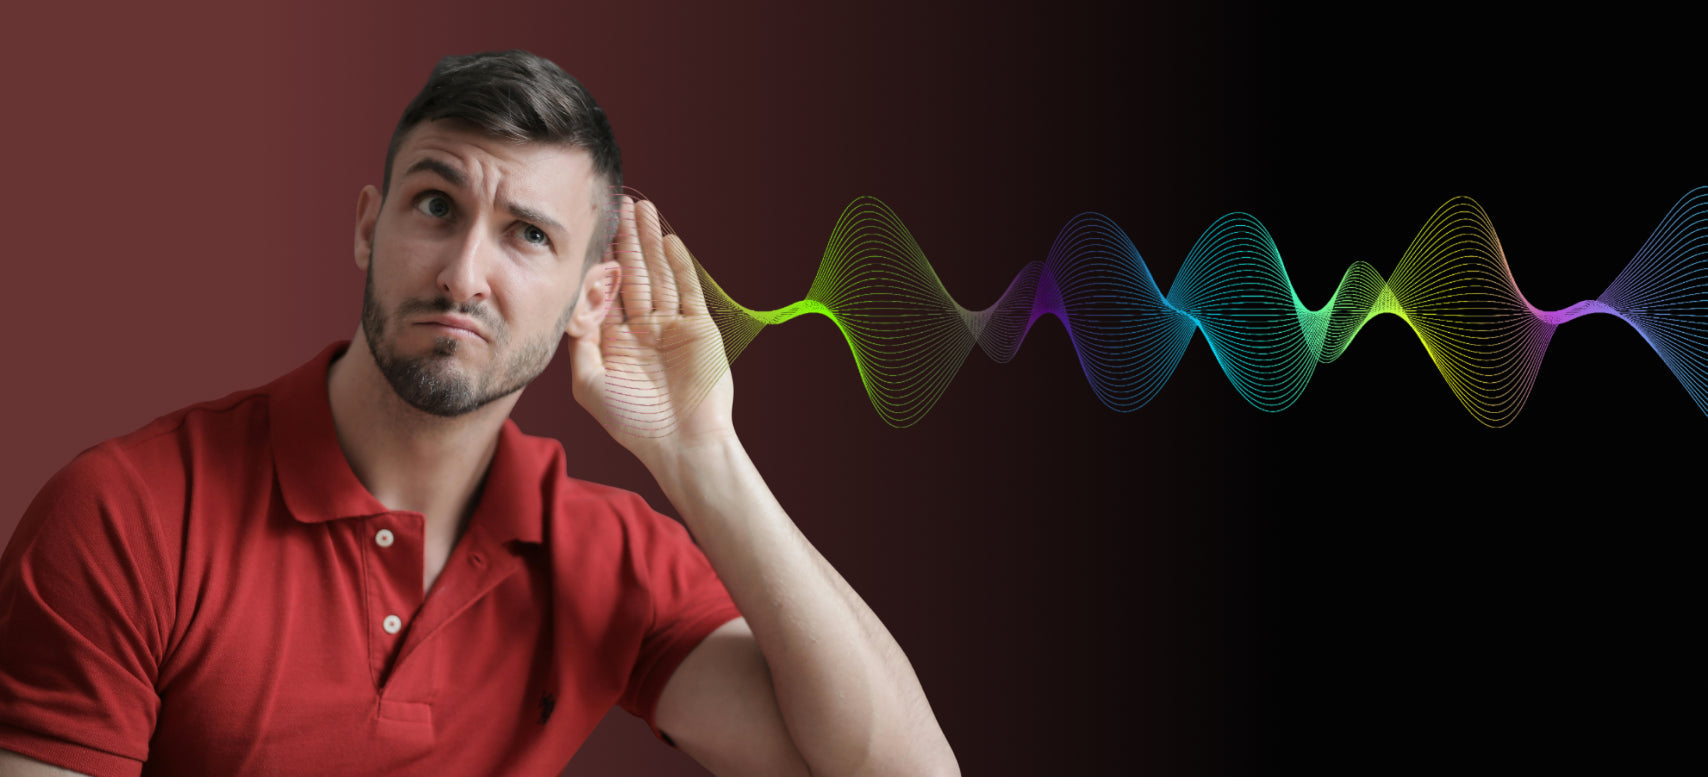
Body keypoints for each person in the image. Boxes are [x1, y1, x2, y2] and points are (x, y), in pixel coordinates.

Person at [0, 50, 958, 777]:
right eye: (434, 206)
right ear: (370, 226)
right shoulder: (125, 512)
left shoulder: (607, 558)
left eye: (528, 235)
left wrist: (702, 453)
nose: (464, 273)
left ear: (593, 299)